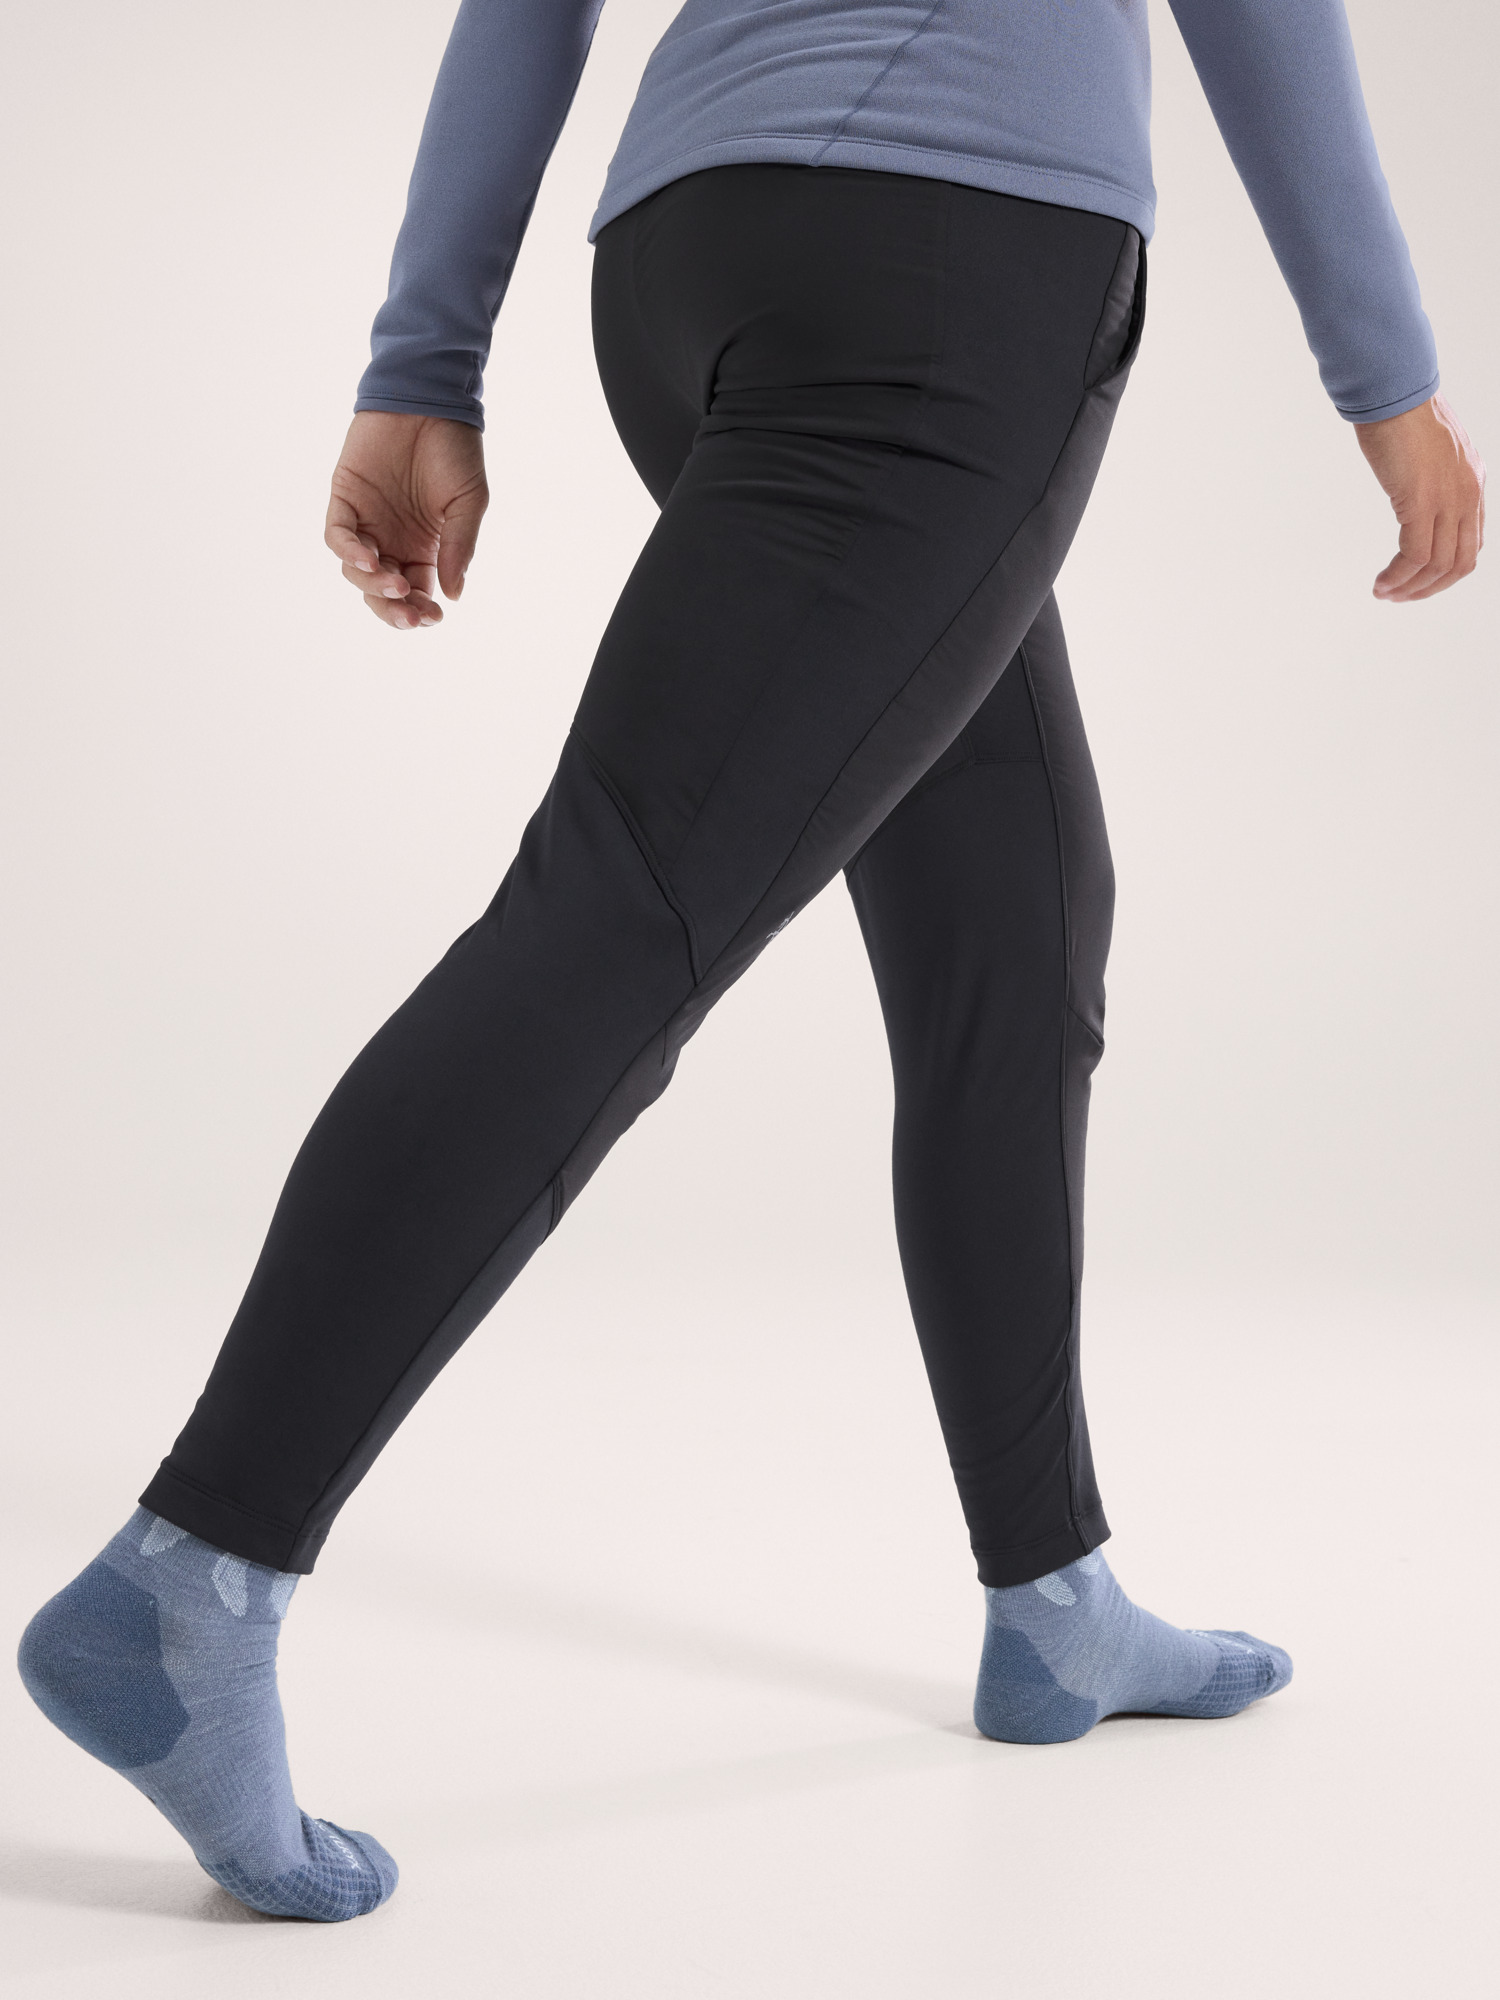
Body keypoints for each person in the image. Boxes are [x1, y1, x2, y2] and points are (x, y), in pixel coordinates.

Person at [17, 0, 1484, 1926]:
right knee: (625, 912)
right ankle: (189, 1581)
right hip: (959, 262)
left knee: (1015, 912)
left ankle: (1051, 1600)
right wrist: (1390, 376)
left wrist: (426, 356)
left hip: (690, 257)